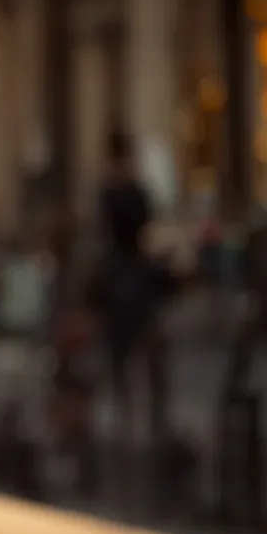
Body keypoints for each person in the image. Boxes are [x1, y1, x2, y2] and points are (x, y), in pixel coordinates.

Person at [92, 130, 165, 443]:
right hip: (135, 275)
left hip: (119, 277)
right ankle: (149, 418)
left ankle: (129, 417)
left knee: (121, 355)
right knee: (143, 351)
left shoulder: (110, 190)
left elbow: (103, 230)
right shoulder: (134, 189)